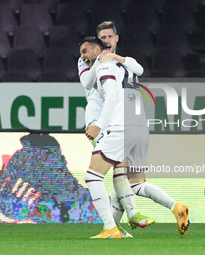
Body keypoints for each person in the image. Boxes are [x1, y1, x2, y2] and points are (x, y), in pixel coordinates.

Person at [92, 21, 190, 236]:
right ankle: (176, 207)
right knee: (133, 183)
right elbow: (139, 70)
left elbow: (139, 69)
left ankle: (111, 229)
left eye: (109, 37)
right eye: (102, 39)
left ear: (116, 38)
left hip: (124, 126)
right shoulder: (111, 63)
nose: (106, 41)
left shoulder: (114, 64)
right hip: (138, 126)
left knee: (102, 176)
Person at [80, 37, 155, 239]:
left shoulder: (105, 66)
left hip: (116, 126)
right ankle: (121, 222)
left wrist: (97, 125)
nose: (82, 56)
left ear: (98, 50)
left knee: (93, 177)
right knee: (119, 175)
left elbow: (112, 96)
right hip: (129, 125)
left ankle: (112, 228)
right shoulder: (116, 66)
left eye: (85, 51)